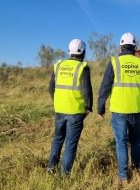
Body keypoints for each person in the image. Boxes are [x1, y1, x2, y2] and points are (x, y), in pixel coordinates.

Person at [98, 32, 140, 185]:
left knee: (121, 142)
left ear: (121, 47)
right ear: (135, 47)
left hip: (119, 111)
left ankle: (123, 177)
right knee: (135, 140)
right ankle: (137, 169)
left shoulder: (114, 62)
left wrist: (100, 107)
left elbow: (105, 86)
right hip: (135, 110)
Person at [47, 39, 93, 176]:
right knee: (70, 145)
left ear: (70, 51)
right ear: (83, 52)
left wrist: (58, 102)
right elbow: (87, 90)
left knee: (57, 139)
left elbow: (51, 88)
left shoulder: (58, 66)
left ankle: (51, 168)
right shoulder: (83, 67)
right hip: (76, 112)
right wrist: (88, 107)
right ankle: (64, 175)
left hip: (59, 110)